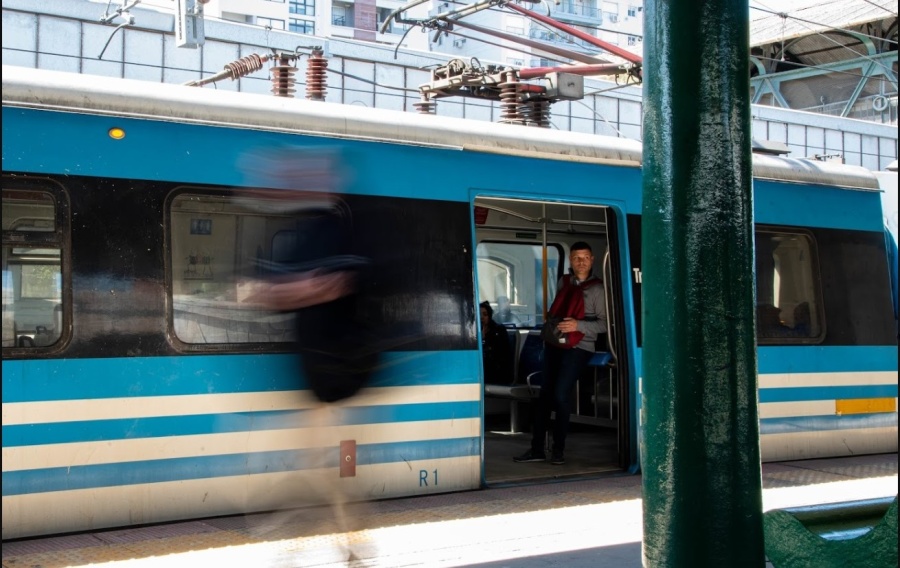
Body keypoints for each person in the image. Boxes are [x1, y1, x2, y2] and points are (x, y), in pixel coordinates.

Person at [514, 241, 607, 465]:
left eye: (585, 257)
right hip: (556, 344)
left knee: (560, 394)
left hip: (579, 347)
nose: (581, 262)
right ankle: (537, 449)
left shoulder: (598, 289)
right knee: (545, 395)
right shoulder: (563, 282)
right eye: (576, 258)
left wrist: (578, 326)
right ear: (571, 261)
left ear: (592, 260)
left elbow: (605, 324)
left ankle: (558, 450)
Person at [480, 301, 514, 385]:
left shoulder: (499, 331)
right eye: (479, 315)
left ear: (489, 316)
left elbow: (502, 354)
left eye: (485, 315)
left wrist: (484, 340)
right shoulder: (473, 332)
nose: (482, 318)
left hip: (496, 369)